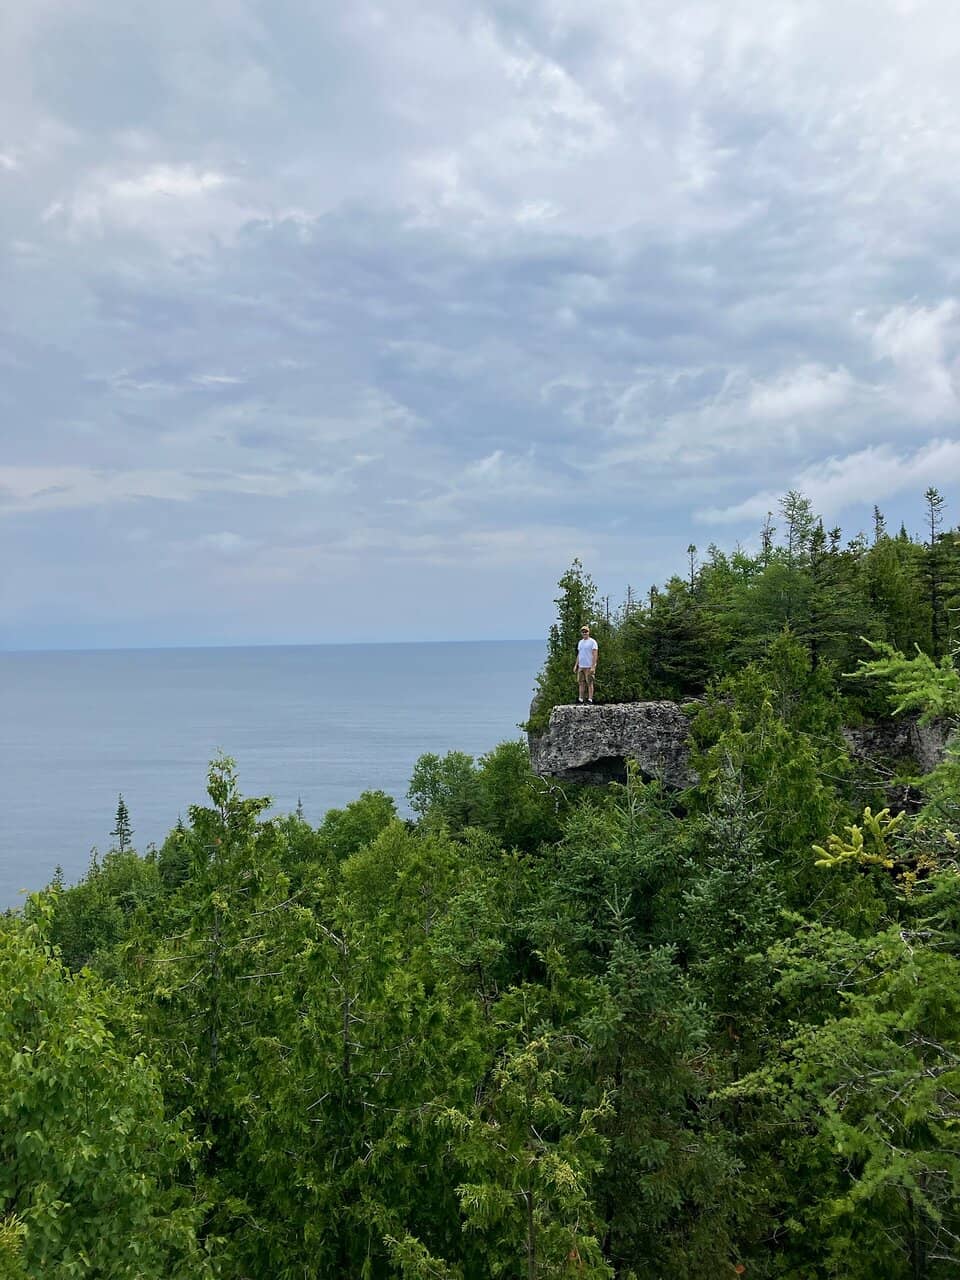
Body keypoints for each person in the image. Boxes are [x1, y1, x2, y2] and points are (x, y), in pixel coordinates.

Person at [574, 624, 598, 704]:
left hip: (589, 666)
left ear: (589, 632)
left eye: (586, 631)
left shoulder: (592, 642)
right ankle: (580, 699)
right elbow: (579, 654)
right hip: (581, 666)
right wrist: (576, 665)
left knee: (589, 682)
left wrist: (593, 666)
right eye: (583, 632)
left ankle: (590, 699)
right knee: (581, 682)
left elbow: (595, 654)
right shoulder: (580, 642)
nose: (584, 633)